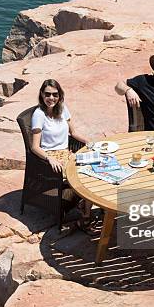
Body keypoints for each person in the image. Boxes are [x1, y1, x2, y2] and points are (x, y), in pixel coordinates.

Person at [31, 79, 94, 229]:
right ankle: (85, 216)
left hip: (66, 153)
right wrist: (50, 158)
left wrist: (89, 142)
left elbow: (74, 133)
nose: (51, 98)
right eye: (47, 94)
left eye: (55, 94)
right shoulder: (39, 115)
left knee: (94, 169)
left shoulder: (63, 109)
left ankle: (83, 206)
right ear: (41, 94)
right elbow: (34, 147)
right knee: (83, 176)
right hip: (51, 156)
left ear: (60, 96)